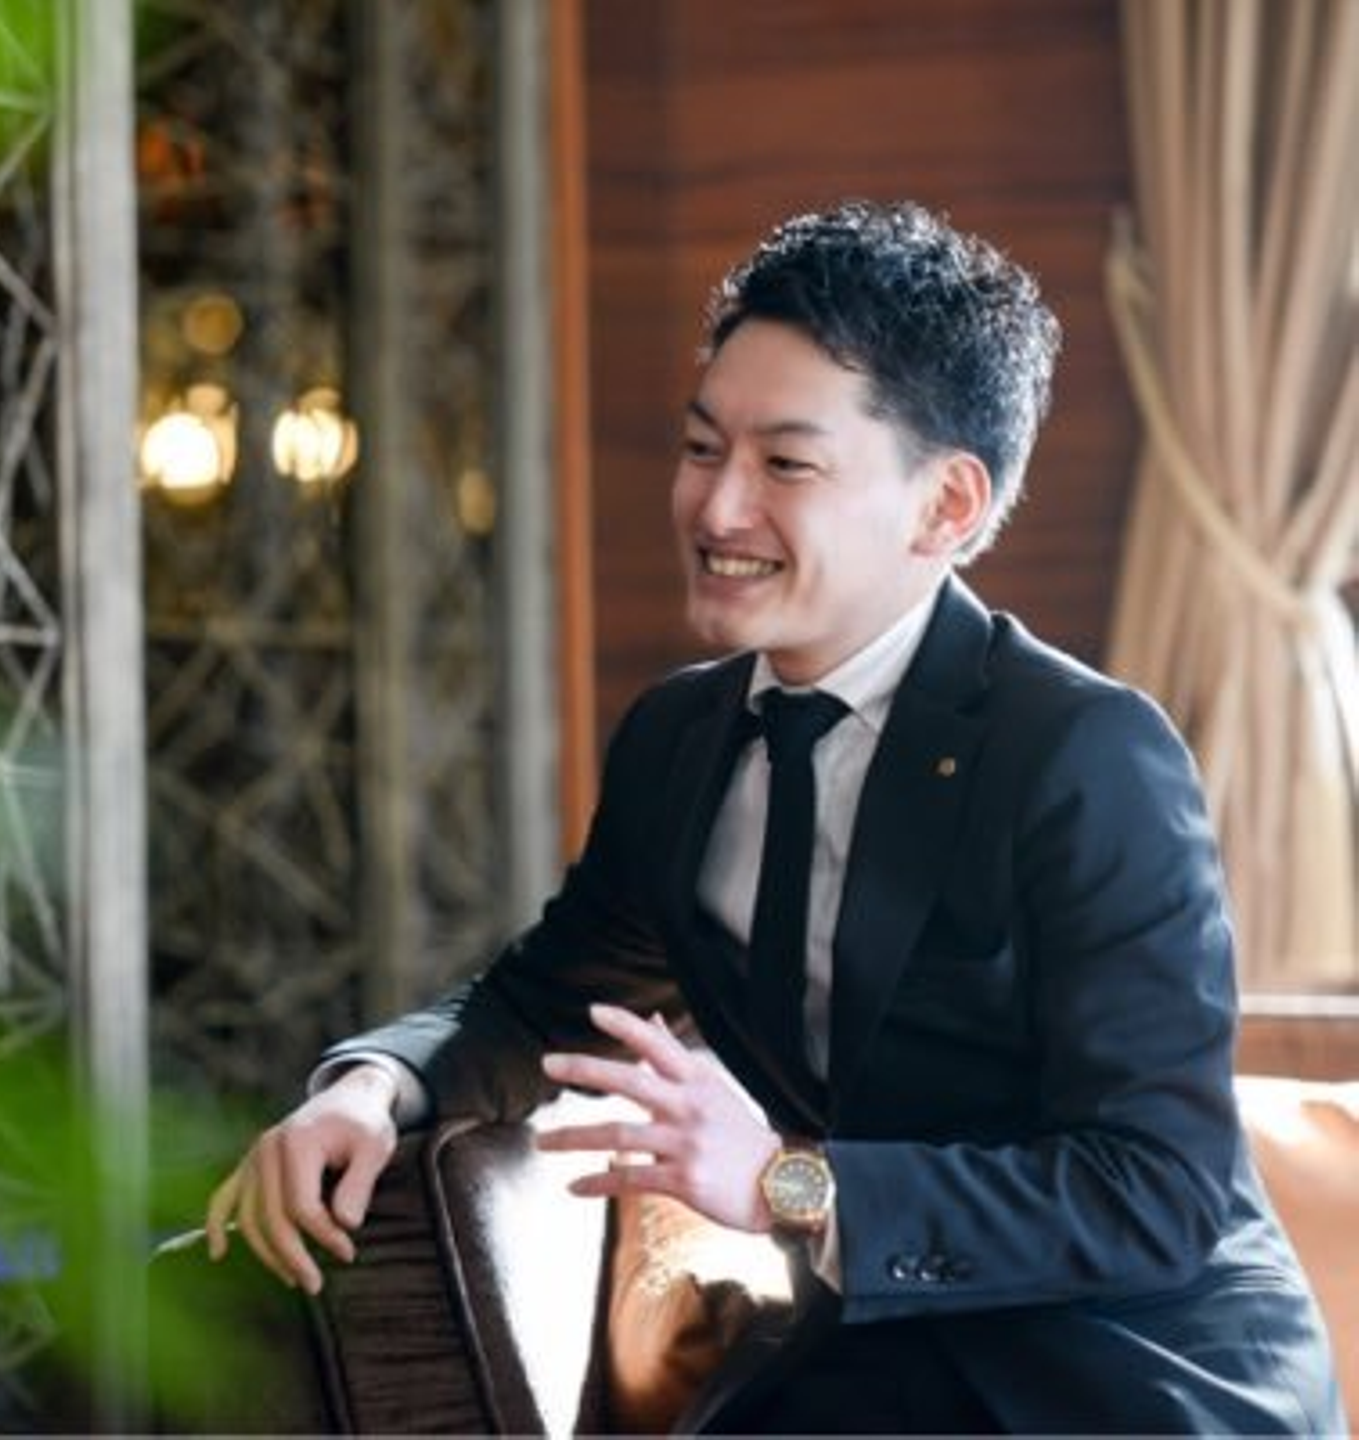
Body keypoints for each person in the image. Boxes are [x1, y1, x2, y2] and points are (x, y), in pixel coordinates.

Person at [206, 199, 1346, 1434]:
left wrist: (786, 1185)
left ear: (946, 507)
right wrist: (369, 1087)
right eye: (703, 448)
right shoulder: (678, 739)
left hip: (1135, 1378)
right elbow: (546, 999)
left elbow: (1156, 1192)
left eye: (785, 465)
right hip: (874, 1362)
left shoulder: (1082, 754)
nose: (715, 509)